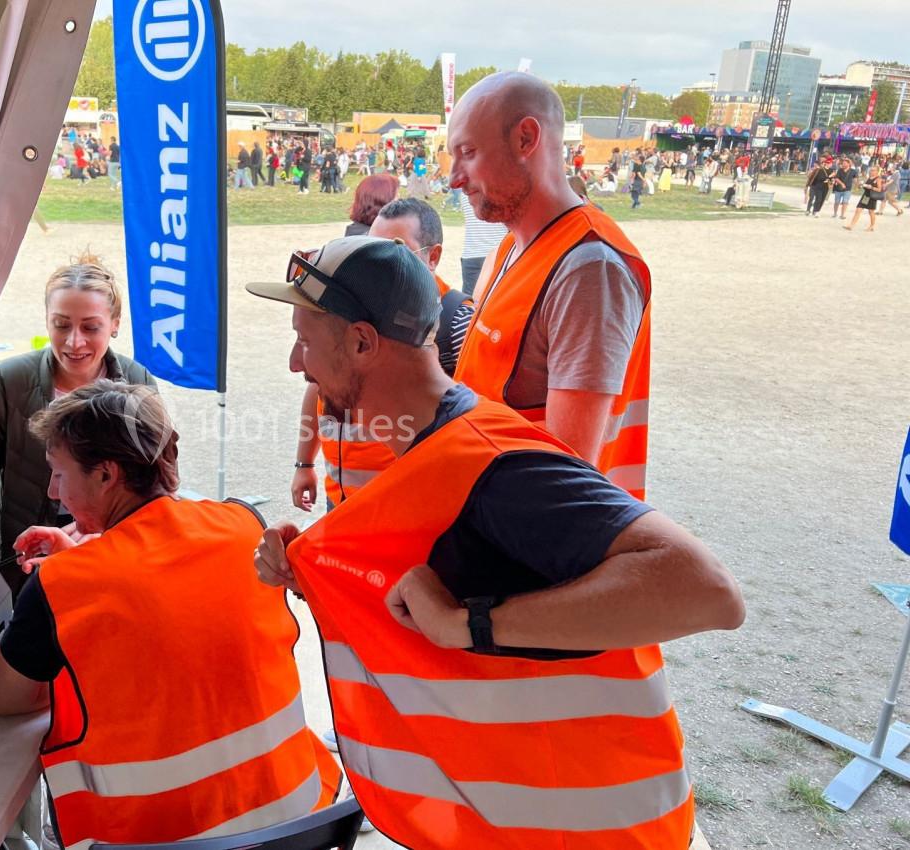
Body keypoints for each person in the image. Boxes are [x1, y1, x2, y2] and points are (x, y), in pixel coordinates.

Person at [246, 235, 744, 849]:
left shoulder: (495, 463)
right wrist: (320, 568)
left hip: (595, 833)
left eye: (305, 339)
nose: (297, 364)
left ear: (361, 342)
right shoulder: (432, 451)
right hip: (527, 821)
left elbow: (707, 590)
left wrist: (471, 624)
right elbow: (444, 576)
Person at [0, 381, 341, 848]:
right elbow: (181, 622)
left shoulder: (63, 583)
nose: (53, 491)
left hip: (155, 839)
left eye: (58, 473)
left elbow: (2, 698)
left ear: (107, 474)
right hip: (295, 821)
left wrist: (68, 588)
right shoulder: (243, 525)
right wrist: (89, 558)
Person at [449, 71, 652, 499]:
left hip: (533, 540)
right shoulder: (512, 246)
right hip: (492, 514)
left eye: (467, 153)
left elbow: (566, 477)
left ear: (526, 139)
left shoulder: (588, 268)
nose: (454, 178)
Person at [0, 257, 155, 597]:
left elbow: (152, 492)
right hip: (17, 564)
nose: (74, 342)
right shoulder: (7, 382)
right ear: (46, 321)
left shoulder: (137, 383)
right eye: (61, 325)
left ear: (114, 324)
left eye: (90, 327)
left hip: (106, 564)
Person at [292, 203, 472, 513]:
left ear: (434, 256)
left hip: (401, 508)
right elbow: (317, 386)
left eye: (398, 250)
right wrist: (304, 461)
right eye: (371, 247)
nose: (379, 263)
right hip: (341, 499)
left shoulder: (458, 322)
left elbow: (467, 434)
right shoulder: (357, 309)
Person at [344, 173, 398, 237]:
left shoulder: (355, 231)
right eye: (396, 196)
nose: (399, 200)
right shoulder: (380, 239)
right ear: (383, 201)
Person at [845, 165, 888, 232]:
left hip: (872, 197)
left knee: (871, 212)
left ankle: (872, 226)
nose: (871, 171)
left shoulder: (878, 179)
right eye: (871, 170)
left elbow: (879, 189)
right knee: (858, 210)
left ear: (877, 171)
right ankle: (851, 225)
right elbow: (865, 186)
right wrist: (861, 185)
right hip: (866, 196)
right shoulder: (870, 177)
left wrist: (871, 187)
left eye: (873, 170)